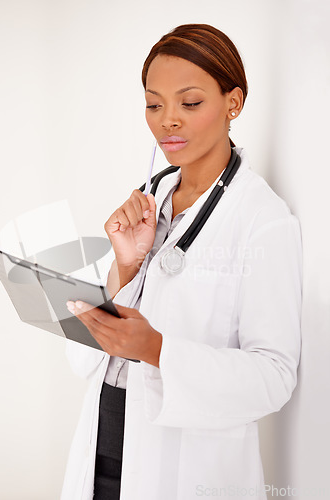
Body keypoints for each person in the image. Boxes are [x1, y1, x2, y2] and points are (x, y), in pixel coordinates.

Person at [61, 23, 302, 500]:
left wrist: (158, 351)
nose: (167, 120)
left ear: (233, 102)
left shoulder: (262, 218)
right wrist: (125, 266)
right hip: (105, 447)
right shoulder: (149, 196)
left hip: (184, 468)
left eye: (189, 103)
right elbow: (84, 356)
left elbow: (274, 377)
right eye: (154, 104)